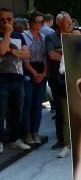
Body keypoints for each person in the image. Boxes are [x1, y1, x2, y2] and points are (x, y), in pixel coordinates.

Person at [0, 7, 31, 154]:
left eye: (9, 19)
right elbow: (1, 50)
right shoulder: (5, 34)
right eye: (3, 19)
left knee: (17, 112)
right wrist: (6, 33)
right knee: (1, 113)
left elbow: (27, 55)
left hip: (18, 79)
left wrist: (11, 51)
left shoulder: (19, 36)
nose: (6, 21)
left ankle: (15, 140)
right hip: (2, 80)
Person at [45, 11, 72, 155]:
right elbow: (51, 55)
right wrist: (67, 53)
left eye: (70, 22)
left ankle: (72, 139)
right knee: (60, 112)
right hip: (57, 79)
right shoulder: (50, 37)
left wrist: (60, 52)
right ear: (59, 23)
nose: (70, 24)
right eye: (67, 22)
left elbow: (78, 54)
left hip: (73, 78)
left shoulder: (73, 36)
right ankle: (62, 140)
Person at [21, 11, 48, 145]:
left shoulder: (44, 37)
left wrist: (43, 74)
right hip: (27, 71)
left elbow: (47, 58)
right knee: (27, 104)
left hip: (41, 72)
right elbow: (22, 57)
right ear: (30, 22)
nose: (38, 23)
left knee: (37, 105)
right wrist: (32, 72)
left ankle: (35, 133)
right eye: (36, 21)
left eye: (41, 21)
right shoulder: (23, 36)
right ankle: (27, 134)